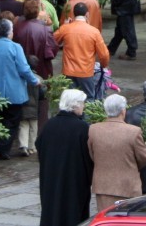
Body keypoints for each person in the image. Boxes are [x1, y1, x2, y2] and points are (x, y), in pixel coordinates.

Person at [0, 19, 40, 159]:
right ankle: (3, 148)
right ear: (9, 32)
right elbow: (24, 69)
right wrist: (35, 81)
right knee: (12, 121)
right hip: (13, 92)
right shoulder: (16, 47)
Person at [36, 89, 93, 226]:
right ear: (76, 105)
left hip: (51, 178)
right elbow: (88, 156)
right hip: (74, 180)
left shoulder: (49, 125)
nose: (83, 107)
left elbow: (39, 147)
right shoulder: (82, 127)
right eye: (82, 104)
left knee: (52, 210)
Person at [88, 94, 146, 211]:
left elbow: (92, 154)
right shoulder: (134, 131)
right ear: (123, 110)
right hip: (128, 185)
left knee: (106, 219)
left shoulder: (93, 129)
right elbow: (144, 157)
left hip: (103, 185)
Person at [54, 2, 110, 101]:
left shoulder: (66, 28)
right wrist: (103, 65)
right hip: (86, 72)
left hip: (68, 71)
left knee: (70, 100)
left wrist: (64, 25)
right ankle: (86, 117)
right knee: (88, 98)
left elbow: (52, 40)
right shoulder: (94, 32)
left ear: (73, 14)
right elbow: (104, 55)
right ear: (87, 14)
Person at [13, 0, 59, 79]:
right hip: (41, 68)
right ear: (38, 12)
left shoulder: (16, 27)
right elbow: (53, 50)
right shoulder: (45, 29)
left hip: (21, 68)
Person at [18, 55, 43, 157]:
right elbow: (42, 94)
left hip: (23, 105)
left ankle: (23, 145)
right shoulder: (39, 79)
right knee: (34, 127)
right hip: (34, 107)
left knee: (23, 126)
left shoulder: (20, 77)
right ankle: (32, 147)